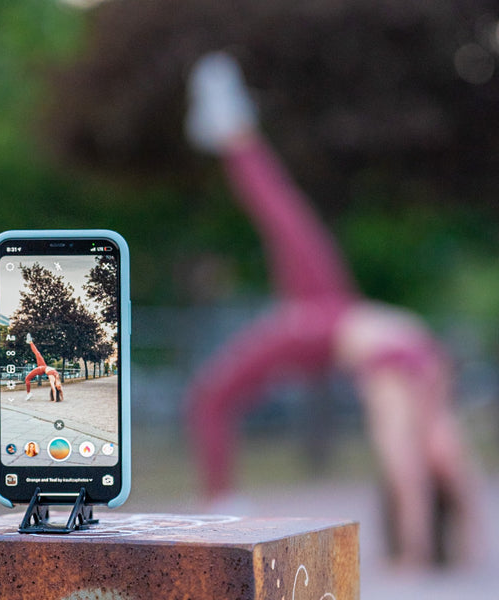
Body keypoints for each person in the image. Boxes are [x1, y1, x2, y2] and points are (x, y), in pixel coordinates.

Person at [184, 52, 480, 566]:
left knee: (212, 394)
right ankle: (234, 137)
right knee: (287, 216)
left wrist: (414, 558)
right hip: (332, 309)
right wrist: (468, 540)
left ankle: (221, 500)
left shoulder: (401, 387)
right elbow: (457, 479)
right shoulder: (434, 397)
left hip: (319, 331)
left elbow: (405, 468)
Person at [25, 334, 64, 402]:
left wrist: (55, 400)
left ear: (55, 386)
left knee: (27, 379)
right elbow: (60, 392)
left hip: (41, 370)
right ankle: (30, 342)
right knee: (38, 353)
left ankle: (28, 393)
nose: (60, 386)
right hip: (44, 366)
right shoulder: (57, 378)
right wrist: (62, 398)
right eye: (60, 386)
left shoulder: (52, 380)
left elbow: (54, 390)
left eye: (58, 386)